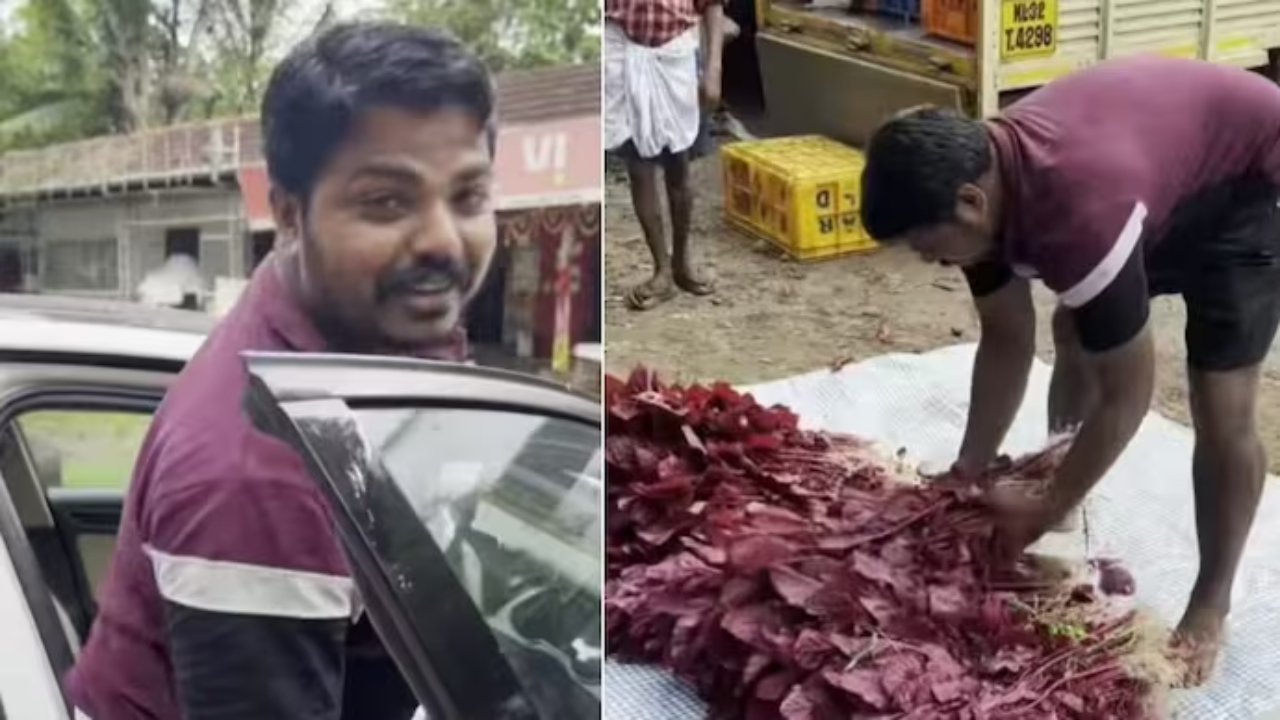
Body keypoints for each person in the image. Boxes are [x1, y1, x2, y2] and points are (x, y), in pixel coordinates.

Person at [65, 21, 497, 720]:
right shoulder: (257, 476)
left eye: (468, 197)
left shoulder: (382, 320)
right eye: (387, 201)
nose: (443, 240)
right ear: (290, 214)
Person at [858, 55, 1280, 687]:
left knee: (1220, 403)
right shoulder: (974, 189)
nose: (928, 262)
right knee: (1077, 326)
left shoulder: (1076, 212)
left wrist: (1047, 501)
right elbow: (1005, 336)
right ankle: (1059, 483)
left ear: (971, 203)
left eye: (926, 247)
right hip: (1159, 165)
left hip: (1249, 179)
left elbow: (1128, 394)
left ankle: (1211, 601)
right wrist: (968, 471)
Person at [604, 0, 725, 310]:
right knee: (639, 169)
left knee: (678, 167)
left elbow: (712, 7)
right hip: (622, 53)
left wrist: (713, 70)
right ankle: (661, 271)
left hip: (677, 57)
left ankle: (682, 263)